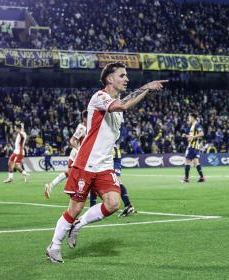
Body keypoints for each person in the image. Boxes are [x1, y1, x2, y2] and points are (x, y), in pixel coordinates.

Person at [46, 62, 167, 263]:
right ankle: (54, 246)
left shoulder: (116, 107)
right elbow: (123, 104)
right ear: (110, 79)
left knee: (113, 204)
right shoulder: (100, 97)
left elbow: (123, 104)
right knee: (74, 209)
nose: (126, 79)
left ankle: (79, 224)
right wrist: (146, 87)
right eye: (122, 75)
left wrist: (144, 90)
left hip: (105, 164)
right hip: (87, 163)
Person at [44, 111, 88, 198]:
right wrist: (80, 150)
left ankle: (50, 186)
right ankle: (84, 193)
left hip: (80, 154)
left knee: (70, 173)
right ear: (84, 118)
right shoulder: (82, 128)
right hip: (77, 154)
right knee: (76, 175)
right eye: (89, 117)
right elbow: (72, 140)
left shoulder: (88, 127)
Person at [89, 142, 135, 217]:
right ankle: (92, 208)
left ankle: (128, 205)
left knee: (116, 181)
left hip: (112, 157)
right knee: (95, 180)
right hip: (108, 156)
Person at [181, 113, 205, 183]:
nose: (188, 119)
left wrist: (193, 137)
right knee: (196, 162)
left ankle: (186, 178)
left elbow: (202, 133)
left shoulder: (196, 125)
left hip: (192, 146)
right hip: (195, 146)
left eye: (189, 117)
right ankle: (202, 177)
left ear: (193, 118)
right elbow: (191, 137)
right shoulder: (192, 126)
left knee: (187, 161)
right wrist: (186, 135)